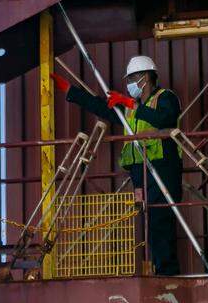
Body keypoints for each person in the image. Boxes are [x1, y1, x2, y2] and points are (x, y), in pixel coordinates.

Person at [50, 55, 184, 275]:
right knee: (150, 221)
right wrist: (70, 91)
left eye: (133, 77)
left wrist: (130, 103)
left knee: (161, 219)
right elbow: (99, 106)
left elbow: (165, 120)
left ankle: (167, 272)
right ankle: (160, 269)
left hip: (163, 167)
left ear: (146, 77)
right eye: (128, 78)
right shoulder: (129, 108)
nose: (130, 83)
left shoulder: (165, 98)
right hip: (139, 172)